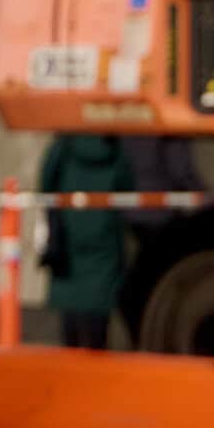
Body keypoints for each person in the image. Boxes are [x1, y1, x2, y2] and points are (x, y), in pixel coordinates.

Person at [38, 131, 135, 349]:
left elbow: (46, 184)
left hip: (68, 237)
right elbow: (128, 186)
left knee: (70, 310)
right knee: (98, 313)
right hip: (105, 238)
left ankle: (71, 363)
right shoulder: (114, 148)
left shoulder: (63, 146)